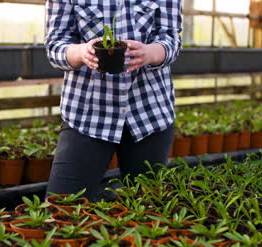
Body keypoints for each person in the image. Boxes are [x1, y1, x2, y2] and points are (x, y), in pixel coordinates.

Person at [45, 0, 182, 200]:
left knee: (148, 207)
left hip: (149, 112)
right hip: (88, 114)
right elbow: (55, 45)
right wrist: (82, 52)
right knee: (62, 206)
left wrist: (149, 53)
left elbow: (171, 39)